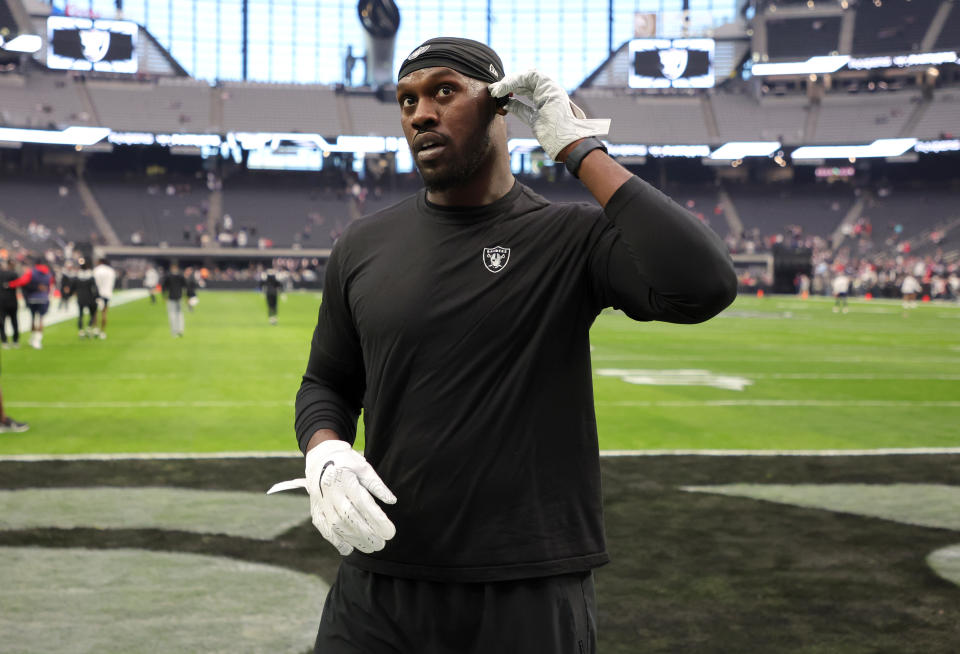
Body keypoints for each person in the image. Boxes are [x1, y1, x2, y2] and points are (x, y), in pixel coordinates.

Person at [279, 37, 736, 654]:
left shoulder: (569, 237)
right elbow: (326, 382)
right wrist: (326, 451)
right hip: (381, 578)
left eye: (445, 91)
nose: (420, 113)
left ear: (502, 107)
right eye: (407, 100)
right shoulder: (362, 246)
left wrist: (578, 147)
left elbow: (704, 286)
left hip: (528, 583)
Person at [6, 256, 53, 349]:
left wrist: (9, 284)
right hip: (43, 298)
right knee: (40, 319)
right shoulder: (48, 274)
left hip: (32, 298)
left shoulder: (32, 272)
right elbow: (50, 286)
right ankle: (38, 340)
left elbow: (22, 281)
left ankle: (33, 338)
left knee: (33, 318)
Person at [73, 262, 99, 338]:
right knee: (92, 314)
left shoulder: (77, 276)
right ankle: (89, 326)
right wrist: (97, 296)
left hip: (80, 298)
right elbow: (95, 287)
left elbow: (73, 287)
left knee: (80, 315)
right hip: (89, 297)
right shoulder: (90, 276)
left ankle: (81, 331)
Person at [92, 258, 116, 339]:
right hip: (107, 294)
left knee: (95, 312)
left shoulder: (96, 270)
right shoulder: (111, 271)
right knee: (104, 313)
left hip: (97, 293)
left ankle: (95, 329)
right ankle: (102, 331)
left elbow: (93, 282)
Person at [161, 264, 187, 337]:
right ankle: (180, 329)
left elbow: (164, 287)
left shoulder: (168, 277)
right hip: (178, 297)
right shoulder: (180, 276)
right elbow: (185, 286)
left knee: (173, 314)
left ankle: (175, 331)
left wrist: (164, 296)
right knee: (179, 314)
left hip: (172, 297)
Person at [0, 259, 21, 349]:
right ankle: (15, 341)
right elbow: (19, 284)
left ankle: (4, 341)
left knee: (2, 322)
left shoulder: (1, 274)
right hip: (12, 301)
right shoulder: (14, 274)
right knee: (14, 321)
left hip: (2, 302)